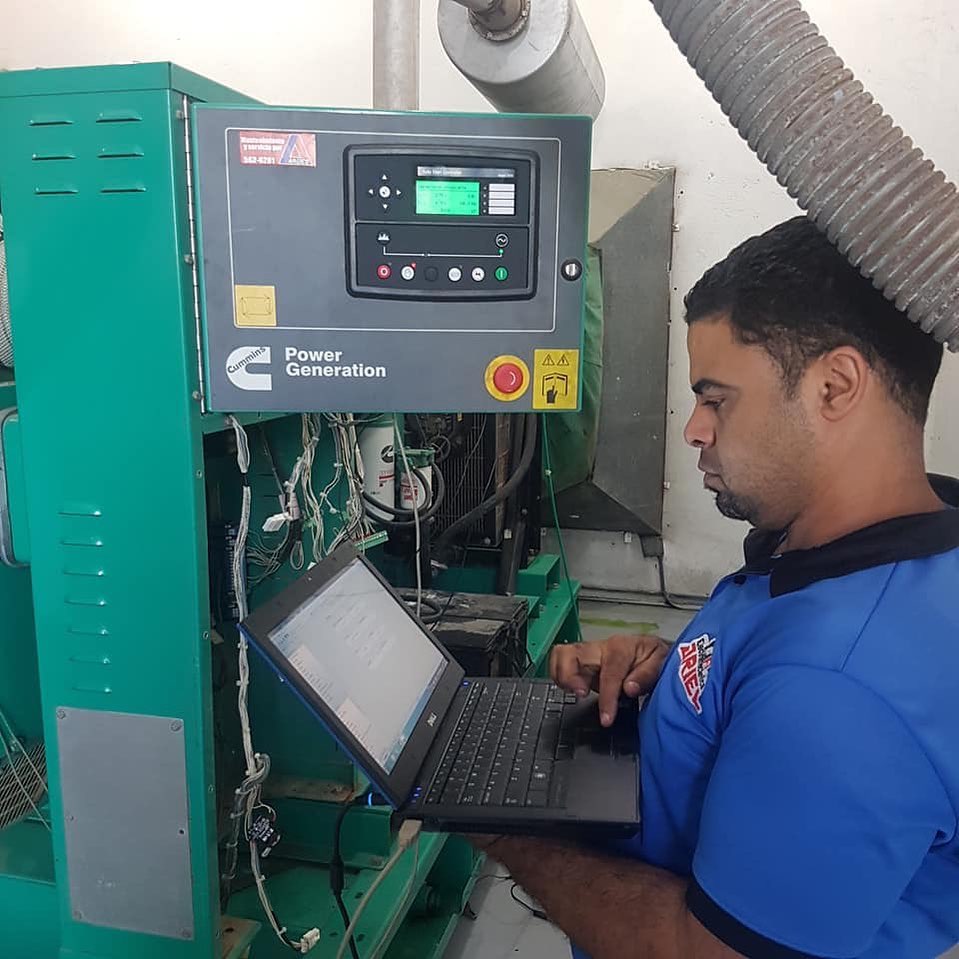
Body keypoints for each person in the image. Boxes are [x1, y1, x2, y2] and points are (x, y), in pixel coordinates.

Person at [475, 217, 959, 959]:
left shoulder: (835, 688)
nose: (694, 429)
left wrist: (499, 826)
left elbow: (702, 950)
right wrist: (674, 674)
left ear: (834, 386)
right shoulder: (868, 550)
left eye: (717, 398)